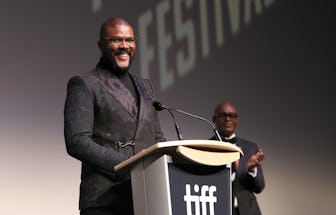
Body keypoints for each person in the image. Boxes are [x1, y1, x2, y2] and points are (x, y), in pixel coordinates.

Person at [64, 17, 165, 215]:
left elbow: (157, 138)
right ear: (101, 46)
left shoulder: (145, 86)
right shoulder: (85, 83)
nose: (124, 46)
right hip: (105, 199)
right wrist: (126, 167)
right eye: (116, 40)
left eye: (129, 40)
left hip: (146, 197)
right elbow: (77, 141)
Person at [211, 102, 265, 215]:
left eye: (232, 115)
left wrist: (250, 169)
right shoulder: (205, 147)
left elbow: (259, 187)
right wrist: (229, 170)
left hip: (249, 211)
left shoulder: (250, 148)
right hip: (218, 209)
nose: (228, 119)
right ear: (214, 119)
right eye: (223, 115)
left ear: (237, 120)